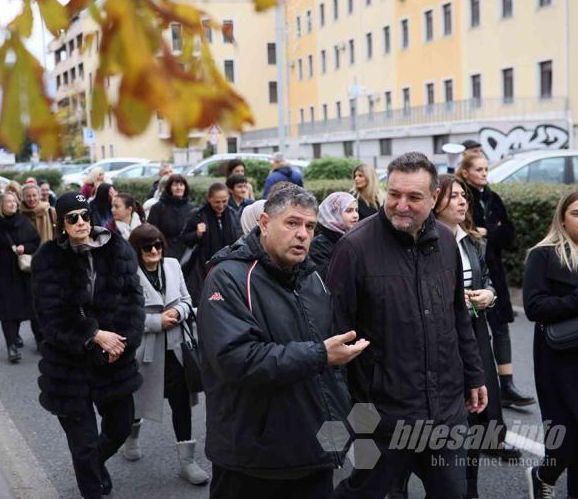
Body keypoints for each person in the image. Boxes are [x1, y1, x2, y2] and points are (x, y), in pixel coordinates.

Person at [329, 152, 486, 499]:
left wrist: (474, 375)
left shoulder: (446, 242)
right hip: (383, 417)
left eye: (414, 197)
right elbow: (336, 337)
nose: (400, 205)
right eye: (394, 194)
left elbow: (457, 317)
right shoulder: (353, 248)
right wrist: (352, 411)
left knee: (453, 493)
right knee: (365, 492)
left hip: (445, 411)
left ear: (434, 198)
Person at [199, 186, 369, 498]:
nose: (303, 234)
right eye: (292, 223)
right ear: (264, 223)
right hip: (252, 458)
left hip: (312, 450)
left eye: (309, 226)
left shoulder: (311, 277)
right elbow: (235, 360)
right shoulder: (228, 277)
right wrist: (320, 355)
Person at [390, 175, 513, 499]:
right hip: (436, 344)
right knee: (420, 428)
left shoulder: (472, 241)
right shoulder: (416, 242)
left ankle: (468, 489)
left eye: (464, 196)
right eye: (454, 195)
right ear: (434, 201)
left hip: (474, 340)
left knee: (473, 420)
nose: (462, 201)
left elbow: (487, 280)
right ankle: (397, 485)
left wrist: (488, 295)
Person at [32, 192, 144, 498]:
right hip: (68, 367)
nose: (81, 222)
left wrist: (120, 341)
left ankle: (94, 465)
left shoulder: (117, 248)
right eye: (72, 218)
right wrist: (94, 335)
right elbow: (50, 316)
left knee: (120, 428)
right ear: (61, 223)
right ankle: (92, 485)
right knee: (83, 445)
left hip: (113, 361)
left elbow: (134, 300)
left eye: (85, 215)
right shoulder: (48, 258)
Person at [121, 224, 210, 485]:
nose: (154, 250)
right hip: (145, 350)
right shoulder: (128, 274)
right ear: (136, 249)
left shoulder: (172, 265)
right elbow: (124, 315)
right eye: (147, 246)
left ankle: (187, 462)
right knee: (138, 401)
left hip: (176, 347)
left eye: (158, 244)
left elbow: (185, 297)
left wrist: (180, 313)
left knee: (181, 403)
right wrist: (155, 321)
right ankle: (131, 437)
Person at [523, 190, 578, 499]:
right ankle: (543, 475)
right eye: (577, 213)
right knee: (564, 443)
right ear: (563, 219)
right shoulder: (544, 254)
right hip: (560, 361)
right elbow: (535, 308)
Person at [457, 155, 535, 408]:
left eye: (486, 169)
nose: (484, 173)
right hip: (470, 272)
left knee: (501, 326)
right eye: (478, 169)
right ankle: (477, 383)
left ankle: (507, 384)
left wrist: (489, 230)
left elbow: (509, 236)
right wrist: (492, 228)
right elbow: (466, 230)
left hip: (495, 270)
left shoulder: (492, 198)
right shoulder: (462, 197)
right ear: (466, 172)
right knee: (476, 331)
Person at [0, 191, 41, 362]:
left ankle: (20, 337)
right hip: (2, 273)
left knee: (24, 308)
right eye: (9, 202)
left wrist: (24, 248)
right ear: (1, 205)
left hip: (22, 274)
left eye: (14, 201)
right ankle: (11, 346)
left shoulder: (23, 222)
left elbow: (35, 241)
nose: (13, 204)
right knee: (7, 311)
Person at [180, 182, 242, 306]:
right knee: (205, 301)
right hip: (202, 267)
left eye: (224, 201)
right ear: (209, 199)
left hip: (227, 267)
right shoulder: (198, 214)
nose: (221, 205)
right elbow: (183, 238)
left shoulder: (232, 214)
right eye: (217, 202)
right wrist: (197, 234)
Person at [309, 192, 358, 279]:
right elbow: (329, 279)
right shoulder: (318, 246)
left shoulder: (357, 238)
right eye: (349, 211)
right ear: (334, 213)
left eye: (356, 210)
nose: (355, 215)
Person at [147, 174, 194, 260]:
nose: (179, 188)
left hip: (186, 255)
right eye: (175, 185)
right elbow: (152, 231)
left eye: (181, 185)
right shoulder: (158, 208)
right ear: (169, 188)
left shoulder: (191, 209)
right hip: (165, 252)